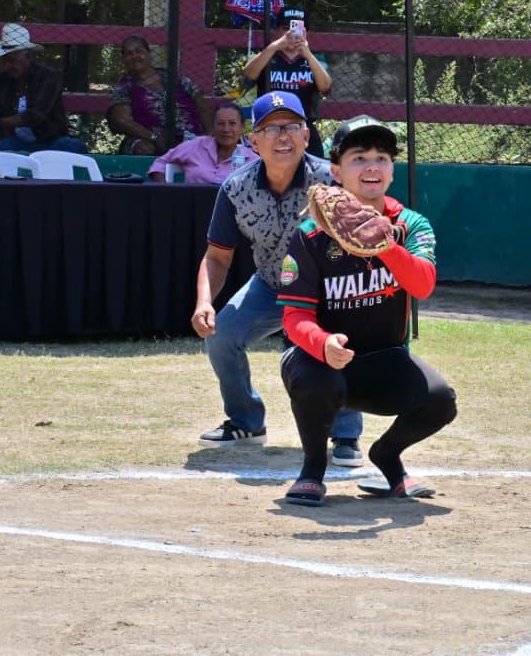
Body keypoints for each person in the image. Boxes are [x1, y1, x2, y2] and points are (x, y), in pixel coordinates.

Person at [276, 116, 454, 506]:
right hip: (318, 363)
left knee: (440, 400)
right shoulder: (310, 233)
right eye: (359, 158)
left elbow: (422, 284)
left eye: (382, 157)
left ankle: (387, 458)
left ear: (392, 169)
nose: (372, 166)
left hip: (384, 361)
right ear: (336, 171)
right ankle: (312, 472)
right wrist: (323, 344)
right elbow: (294, 318)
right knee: (316, 378)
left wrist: (383, 242)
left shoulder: (410, 224)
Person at [191, 90, 364, 464]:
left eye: (291, 127)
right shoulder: (235, 188)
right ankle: (246, 421)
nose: (282, 136)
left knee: (338, 342)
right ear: (252, 142)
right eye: (269, 129)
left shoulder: (333, 182)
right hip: (270, 284)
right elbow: (217, 257)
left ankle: (345, 433)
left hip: (327, 292)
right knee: (222, 334)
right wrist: (205, 302)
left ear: (306, 136)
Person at [0, 24, 87, 154]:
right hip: (16, 141)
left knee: (75, 147)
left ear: (28, 56)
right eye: (4, 62)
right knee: (1, 147)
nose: (7, 66)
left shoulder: (48, 76)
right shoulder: (3, 79)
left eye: (12, 61)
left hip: (50, 140)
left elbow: (36, 115)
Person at [242, 9, 333, 157]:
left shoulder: (314, 58)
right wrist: (275, 46)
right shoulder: (267, 55)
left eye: (296, 29)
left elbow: (326, 87)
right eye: (285, 28)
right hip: (268, 126)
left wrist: (307, 54)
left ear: (305, 32)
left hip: (302, 126)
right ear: (277, 31)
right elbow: (249, 73)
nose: (290, 34)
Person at [107, 36, 213, 155]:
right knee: (144, 149)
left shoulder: (174, 77)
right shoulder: (125, 86)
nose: (135, 57)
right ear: (124, 59)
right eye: (129, 53)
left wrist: (209, 135)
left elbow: (201, 103)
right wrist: (154, 137)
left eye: (139, 51)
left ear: (148, 54)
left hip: (188, 133)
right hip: (148, 137)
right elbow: (122, 120)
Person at [148, 101, 258, 184]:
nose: (226, 129)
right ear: (213, 127)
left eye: (232, 123)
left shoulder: (252, 161)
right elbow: (161, 162)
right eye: (220, 123)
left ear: (242, 127)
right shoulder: (196, 146)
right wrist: (165, 189)